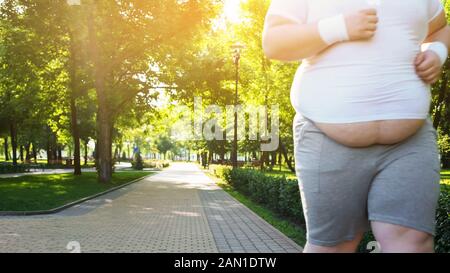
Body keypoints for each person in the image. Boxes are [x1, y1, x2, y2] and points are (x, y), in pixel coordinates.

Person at [263, 0, 450, 253]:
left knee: (412, 242)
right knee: (334, 246)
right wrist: (338, 27)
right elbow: (274, 42)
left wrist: (437, 52)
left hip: (410, 141)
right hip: (326, 136)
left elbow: (440, 28)